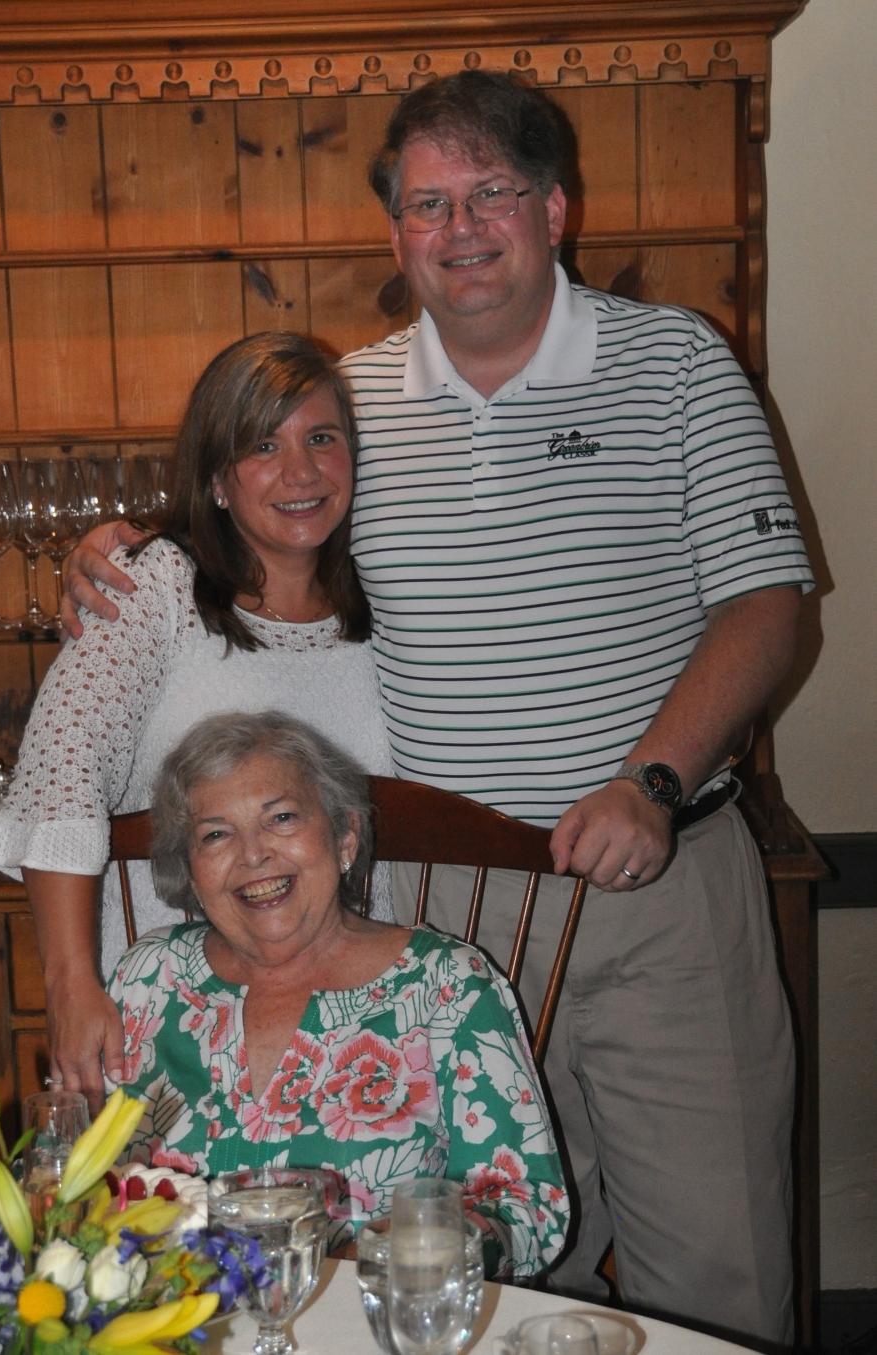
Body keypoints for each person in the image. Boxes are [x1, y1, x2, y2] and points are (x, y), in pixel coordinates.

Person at [59, 73, 812, 1342]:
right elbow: (259, 516)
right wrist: (128, 548)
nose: (460, 228)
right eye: (426, 204)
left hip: (652, 887)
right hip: (440, 923)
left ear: (555, 209)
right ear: (396, 235)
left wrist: (655, 781)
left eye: (491, 193)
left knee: (714, 1270)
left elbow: (770, 604)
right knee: (463, 1278)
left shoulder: (676, 360)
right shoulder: (352, 407)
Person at [0, 333, 395, 1102]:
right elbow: (60, 776)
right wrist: (73, 987)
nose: (301, 471)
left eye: (323, 438)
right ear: (216, 479)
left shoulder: (389, 600)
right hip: (169, 1023)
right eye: (263, 444)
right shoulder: (156, 585)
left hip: (355, 1025)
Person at [109, 709, 569, 1278]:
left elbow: (527, 1208)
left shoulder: (445, 985)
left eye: (280, 818)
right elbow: (84, 1177)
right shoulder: (147, 980)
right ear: (191, 868)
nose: (253, 854)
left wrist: (404, 1254)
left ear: (345, 835)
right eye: (216, 833)